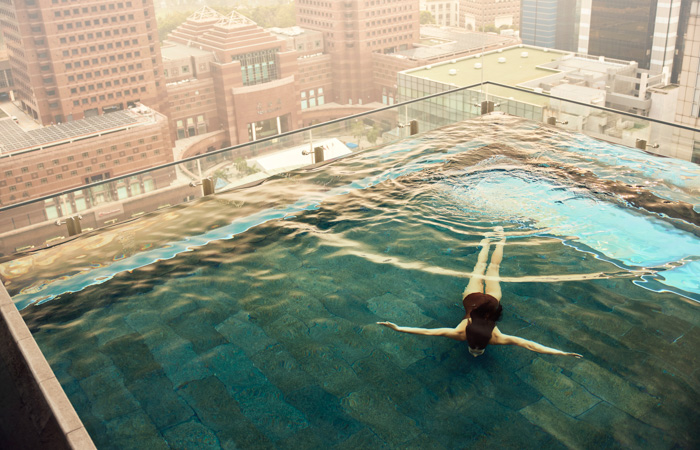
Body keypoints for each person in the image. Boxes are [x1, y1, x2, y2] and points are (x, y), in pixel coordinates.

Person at [377, 227, 582, 358]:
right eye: (478, 350)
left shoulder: (478, 336)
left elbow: (529, 344)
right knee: (481, 267)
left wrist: (398, 328)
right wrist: (560, 352)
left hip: (492, 301)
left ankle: (498, 240)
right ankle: (490, 240)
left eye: (474, 350)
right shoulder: (465, 335)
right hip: (472, 299)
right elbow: (528, 345)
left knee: (490, 269)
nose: (475, 354)